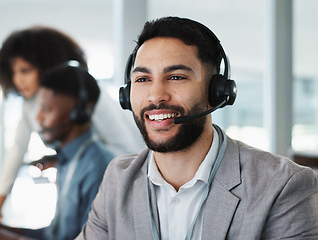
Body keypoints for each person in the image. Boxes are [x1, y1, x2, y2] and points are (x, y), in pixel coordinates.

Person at [77, 16, 318, 239]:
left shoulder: (282, 185)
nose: (155, 95)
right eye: (142, 79)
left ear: (217, 92)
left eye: (176, 77)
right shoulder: (118, 179)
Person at [0, 26, 144, 221]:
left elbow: (127, 151)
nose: (18, 80)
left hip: (122, 184)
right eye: (13, 72)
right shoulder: (29, 105)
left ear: (46, 67)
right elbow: (17, 150)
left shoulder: (84, 93)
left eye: (25, 70)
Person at [0, 63, 114, 240]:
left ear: (80, 112)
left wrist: (13, 239)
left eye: (47, 109)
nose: (38, 117)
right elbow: (58, 234)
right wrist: (5, 230)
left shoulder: (99, 168)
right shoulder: (67, 160)